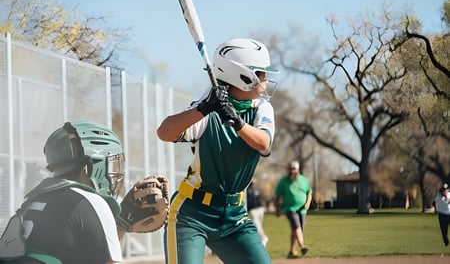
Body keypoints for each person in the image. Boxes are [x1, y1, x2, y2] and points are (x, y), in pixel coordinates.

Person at [157, 38, 279, 264]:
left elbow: (263, 144)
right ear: (243, 76)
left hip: (235, 216)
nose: (265, 79)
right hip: (191, 215)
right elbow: (165, 132)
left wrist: (237, 122)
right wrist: (203, 109)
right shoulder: (207, 108)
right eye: (261, 73)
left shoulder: (262, 108)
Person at [0, 120, 126, 263]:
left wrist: (121, 228)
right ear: (89, 166)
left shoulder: (31, 200)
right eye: (110, 163)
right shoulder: (91, 201)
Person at [275, 160, 312, 259]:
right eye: (292, 169)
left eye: (295, 169)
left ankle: (291, 251)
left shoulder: (304, 180)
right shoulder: (284, 181)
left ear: (298, 170)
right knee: (296, 225)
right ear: (289, 170)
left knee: (296, 229)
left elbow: (309, 193)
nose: (293, 171)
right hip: (289, 208)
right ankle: (302, 246)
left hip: (302, 209)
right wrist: (277, 209)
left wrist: (307, 204)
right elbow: (278, 196)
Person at [246, 178, 269, 246]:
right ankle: (263, 238)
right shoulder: (247, 190)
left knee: (259, 225)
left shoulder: (255, 189)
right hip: (253, 210)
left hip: (260, 208)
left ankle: (260, 239)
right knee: (257, 225)